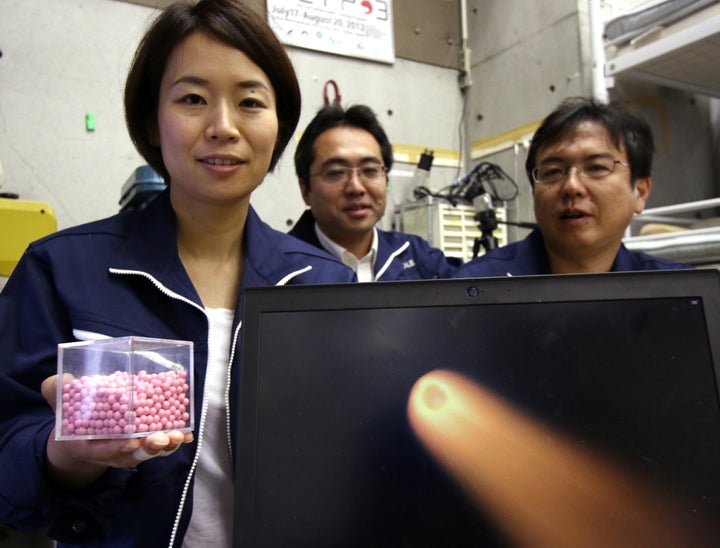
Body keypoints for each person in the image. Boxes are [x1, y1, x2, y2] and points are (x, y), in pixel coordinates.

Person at [0, 1, 354, 547]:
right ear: (150, 120)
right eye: (192, 99)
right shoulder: (61, 270)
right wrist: (65, 454)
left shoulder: (324, 285)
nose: (223, 127)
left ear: (278, 123)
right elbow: (8, 471)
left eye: (250, 102)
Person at [453, 97, 691, 277]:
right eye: (553, 172)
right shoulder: (478, 287)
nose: (572, 186)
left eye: (597, 167)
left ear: (640, 192)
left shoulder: (679, 293)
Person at [290, 103, 461, 282]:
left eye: (370, 170)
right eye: (336, 173)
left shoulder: (416, 254)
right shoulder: (280, 270)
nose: (356, 188)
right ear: (305, 190)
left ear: (386, 179)